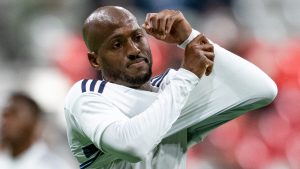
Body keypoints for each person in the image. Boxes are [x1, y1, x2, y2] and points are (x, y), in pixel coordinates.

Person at [64, 6, 277, 169]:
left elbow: (262, 90)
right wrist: (188, 75)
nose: (134, 49)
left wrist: (191, 38)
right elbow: (133, 146)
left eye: (138, 37)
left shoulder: (172, 89)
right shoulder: (86, 96)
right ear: (94, 60)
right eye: (117, 44)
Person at [0, 92, 72, 169]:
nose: (5, 121)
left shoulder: (52, 165)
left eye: (14, 114)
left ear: (34, 122)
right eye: (5, 115)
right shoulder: (2, 160)